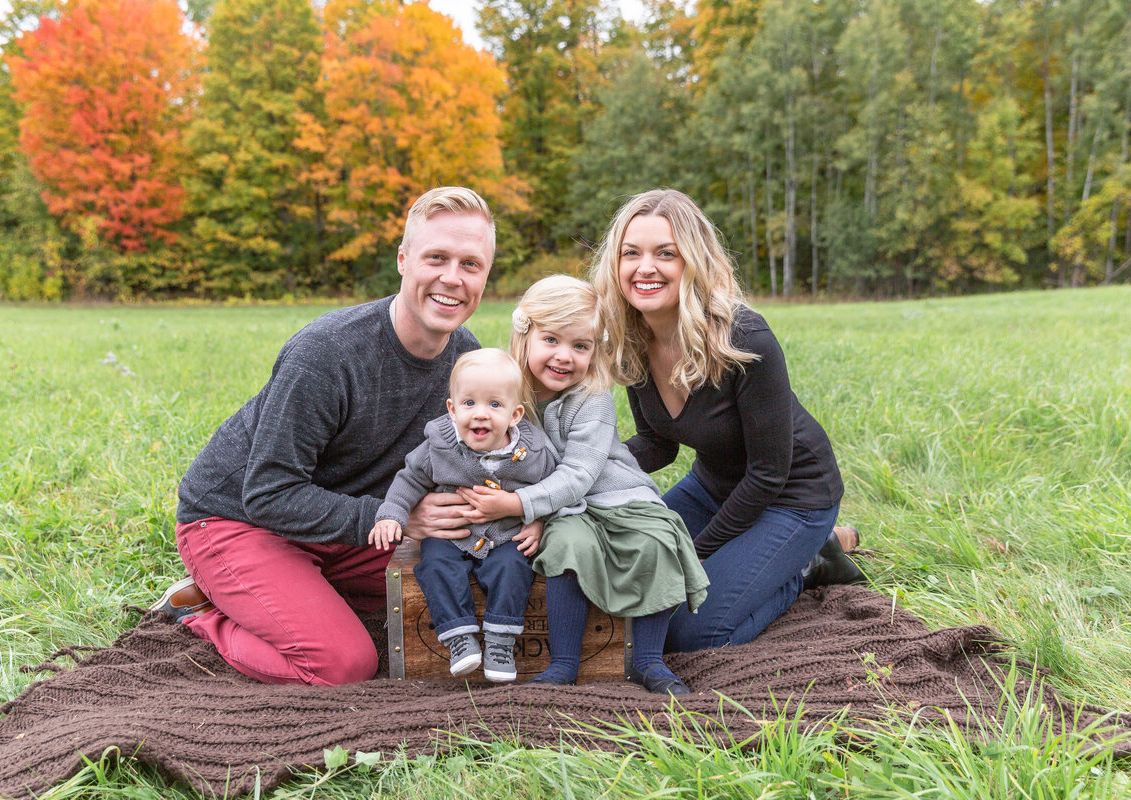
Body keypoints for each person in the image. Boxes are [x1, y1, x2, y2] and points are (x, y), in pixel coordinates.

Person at [151, 187, 544, 686]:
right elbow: (269, 493)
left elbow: (482, 456)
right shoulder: (327, 354)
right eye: (436, 258)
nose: (452, 278)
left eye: (471, 264)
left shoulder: (465, 359)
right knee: (343, 664)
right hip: (238, 518)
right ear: (403, 260)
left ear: (486, 277)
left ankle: (284, 594)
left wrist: (526, 508)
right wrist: (396, 517)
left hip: (340, 518)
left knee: (458, 572)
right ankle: (202, 613)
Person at [589, 188, 864, 654]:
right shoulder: (632, 336)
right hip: (713, 487)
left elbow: (768, 474)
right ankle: (795, 550)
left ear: (693, 260)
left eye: (665, 253)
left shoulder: (744, 337)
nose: (645, 267)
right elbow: (659, 443)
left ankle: (808, 563)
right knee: (624, 582)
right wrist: (583, 466)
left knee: (690, 632)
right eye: (630, 253)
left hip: (792, 496)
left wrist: (694, 551)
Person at [459, 275, 709, 694]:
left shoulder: (592, 396)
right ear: (525, 334)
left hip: (614, 494)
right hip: (560, 507)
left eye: (581, 346)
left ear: (596, 350)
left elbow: (579, 475)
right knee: (568, 545)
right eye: (552, 340)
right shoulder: (501, 388)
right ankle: (563, 665)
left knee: (655, 541)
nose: (564, 357)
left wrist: (519, 506)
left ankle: (649, 661)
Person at [368, 349, 556, 681]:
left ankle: (500, 639)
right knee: (436, 564)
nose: (480, 414)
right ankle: (459, 637)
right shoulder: (438, 445)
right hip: (452, 533)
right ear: (453, 410)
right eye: (469, 404)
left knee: (513, 566)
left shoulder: (533, 453)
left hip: (504, 533)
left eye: (495, 405)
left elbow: (553, 489)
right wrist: (391, 514)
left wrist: (539, 521)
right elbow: (410, 478)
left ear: (515, 415)